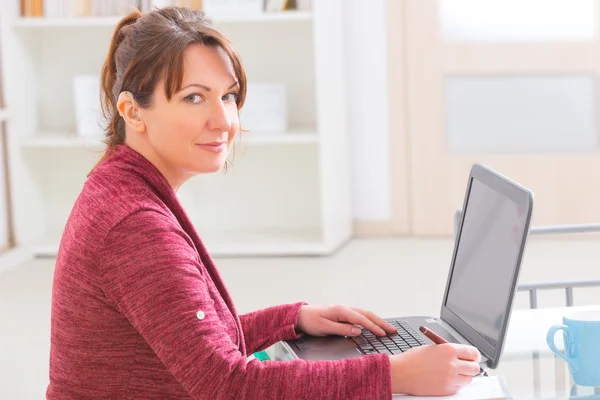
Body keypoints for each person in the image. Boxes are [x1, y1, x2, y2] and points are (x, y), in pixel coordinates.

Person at [46, 7, 482, 399]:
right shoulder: (135, 225)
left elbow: (191, 342)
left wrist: (293, 319)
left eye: (229, 96)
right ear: (133, 111)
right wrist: (392, 375)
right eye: (194, 97)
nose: (224, 121)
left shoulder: (122, 188)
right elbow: (228, 384)